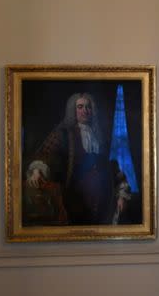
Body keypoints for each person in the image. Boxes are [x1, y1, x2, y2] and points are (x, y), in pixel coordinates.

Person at [25, 92, 130, 225]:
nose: (84, 110)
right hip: (73, 201)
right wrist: (36, 171)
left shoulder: (100, 137)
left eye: (88, 107)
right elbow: (46, 153)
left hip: (103, 204)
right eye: (80, 107)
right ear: (73, 110)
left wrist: (122, 194)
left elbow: (113, 168)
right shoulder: (63, 133)